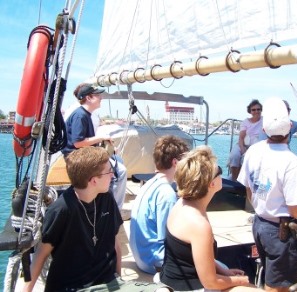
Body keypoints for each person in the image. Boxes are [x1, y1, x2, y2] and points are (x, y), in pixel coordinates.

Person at [237, 97, 297, 292]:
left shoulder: (253, 151)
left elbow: (248, 189)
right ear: (290, 127)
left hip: (260, 225)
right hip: (279, 233)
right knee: (277, 288)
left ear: (264, 129)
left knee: (271, 279)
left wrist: (262, 206)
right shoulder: (290, 161)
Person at [160, 145, 262, 292]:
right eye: (219, 171)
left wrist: (225, 272)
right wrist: (241, 281)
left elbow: (192, 256)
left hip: (174, 280)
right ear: (211, 184)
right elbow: (211, 283)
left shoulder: (183, 204)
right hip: (188, 287)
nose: (221, 173)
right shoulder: (198, 224)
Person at [24, 146, 122, 291]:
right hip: (71, 286)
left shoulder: (107, 199)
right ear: (93, 181)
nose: (113, 175)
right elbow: (41, 255)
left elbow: (115, 245)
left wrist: (120, 281)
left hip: (106, 282)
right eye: (109, 171)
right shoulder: (61, 210)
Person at [62, 83, 128, 213]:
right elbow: (78, 143)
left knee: (118, 160)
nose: (101, 97)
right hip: (76, 158)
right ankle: (113, 210)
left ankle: (105, 202)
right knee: (120, 172)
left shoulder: (84, 114)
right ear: (89, 98)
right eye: (98, 95)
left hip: (82, 155)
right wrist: (101, 138)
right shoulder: (80, 116)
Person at [130, 135, 189, 274]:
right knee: (213, 262)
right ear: (175, 162)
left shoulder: (149, 184)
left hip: (141, 255)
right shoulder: (166, 193)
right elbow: (169, 238)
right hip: (152, 261)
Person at [228, 99, 263, 181]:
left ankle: (244, 181)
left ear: (261, 110)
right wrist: (242, 149)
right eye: (253, 110)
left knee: (246, 159)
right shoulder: (245, 122)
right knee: (234, 156)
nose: (256, 111)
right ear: (250, 111)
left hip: (255, 147)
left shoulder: (264, 121)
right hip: (242, 144)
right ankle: (234, 179)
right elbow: (241, 138)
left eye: (258, 109)